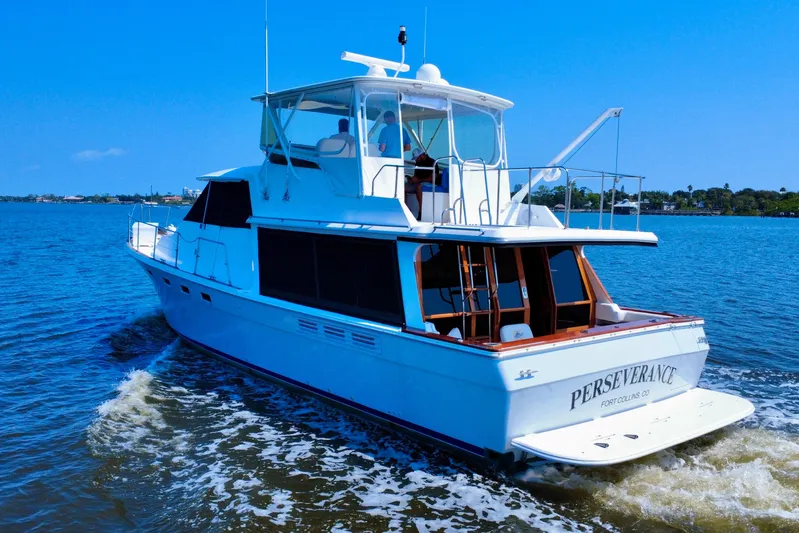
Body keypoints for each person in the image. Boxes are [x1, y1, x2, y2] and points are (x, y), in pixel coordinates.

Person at [407, 152, 438, 220]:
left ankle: (421, 212)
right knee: (403, 187)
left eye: (417, 158)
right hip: (419, 182)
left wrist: (418, 180)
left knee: (419, 187)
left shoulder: (433, 162)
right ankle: (406, 210)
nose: (416, 160)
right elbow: (416, 176)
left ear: (422, 155)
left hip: (429, 183)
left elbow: (433, 179)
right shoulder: (418, 163)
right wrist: (411, 179)